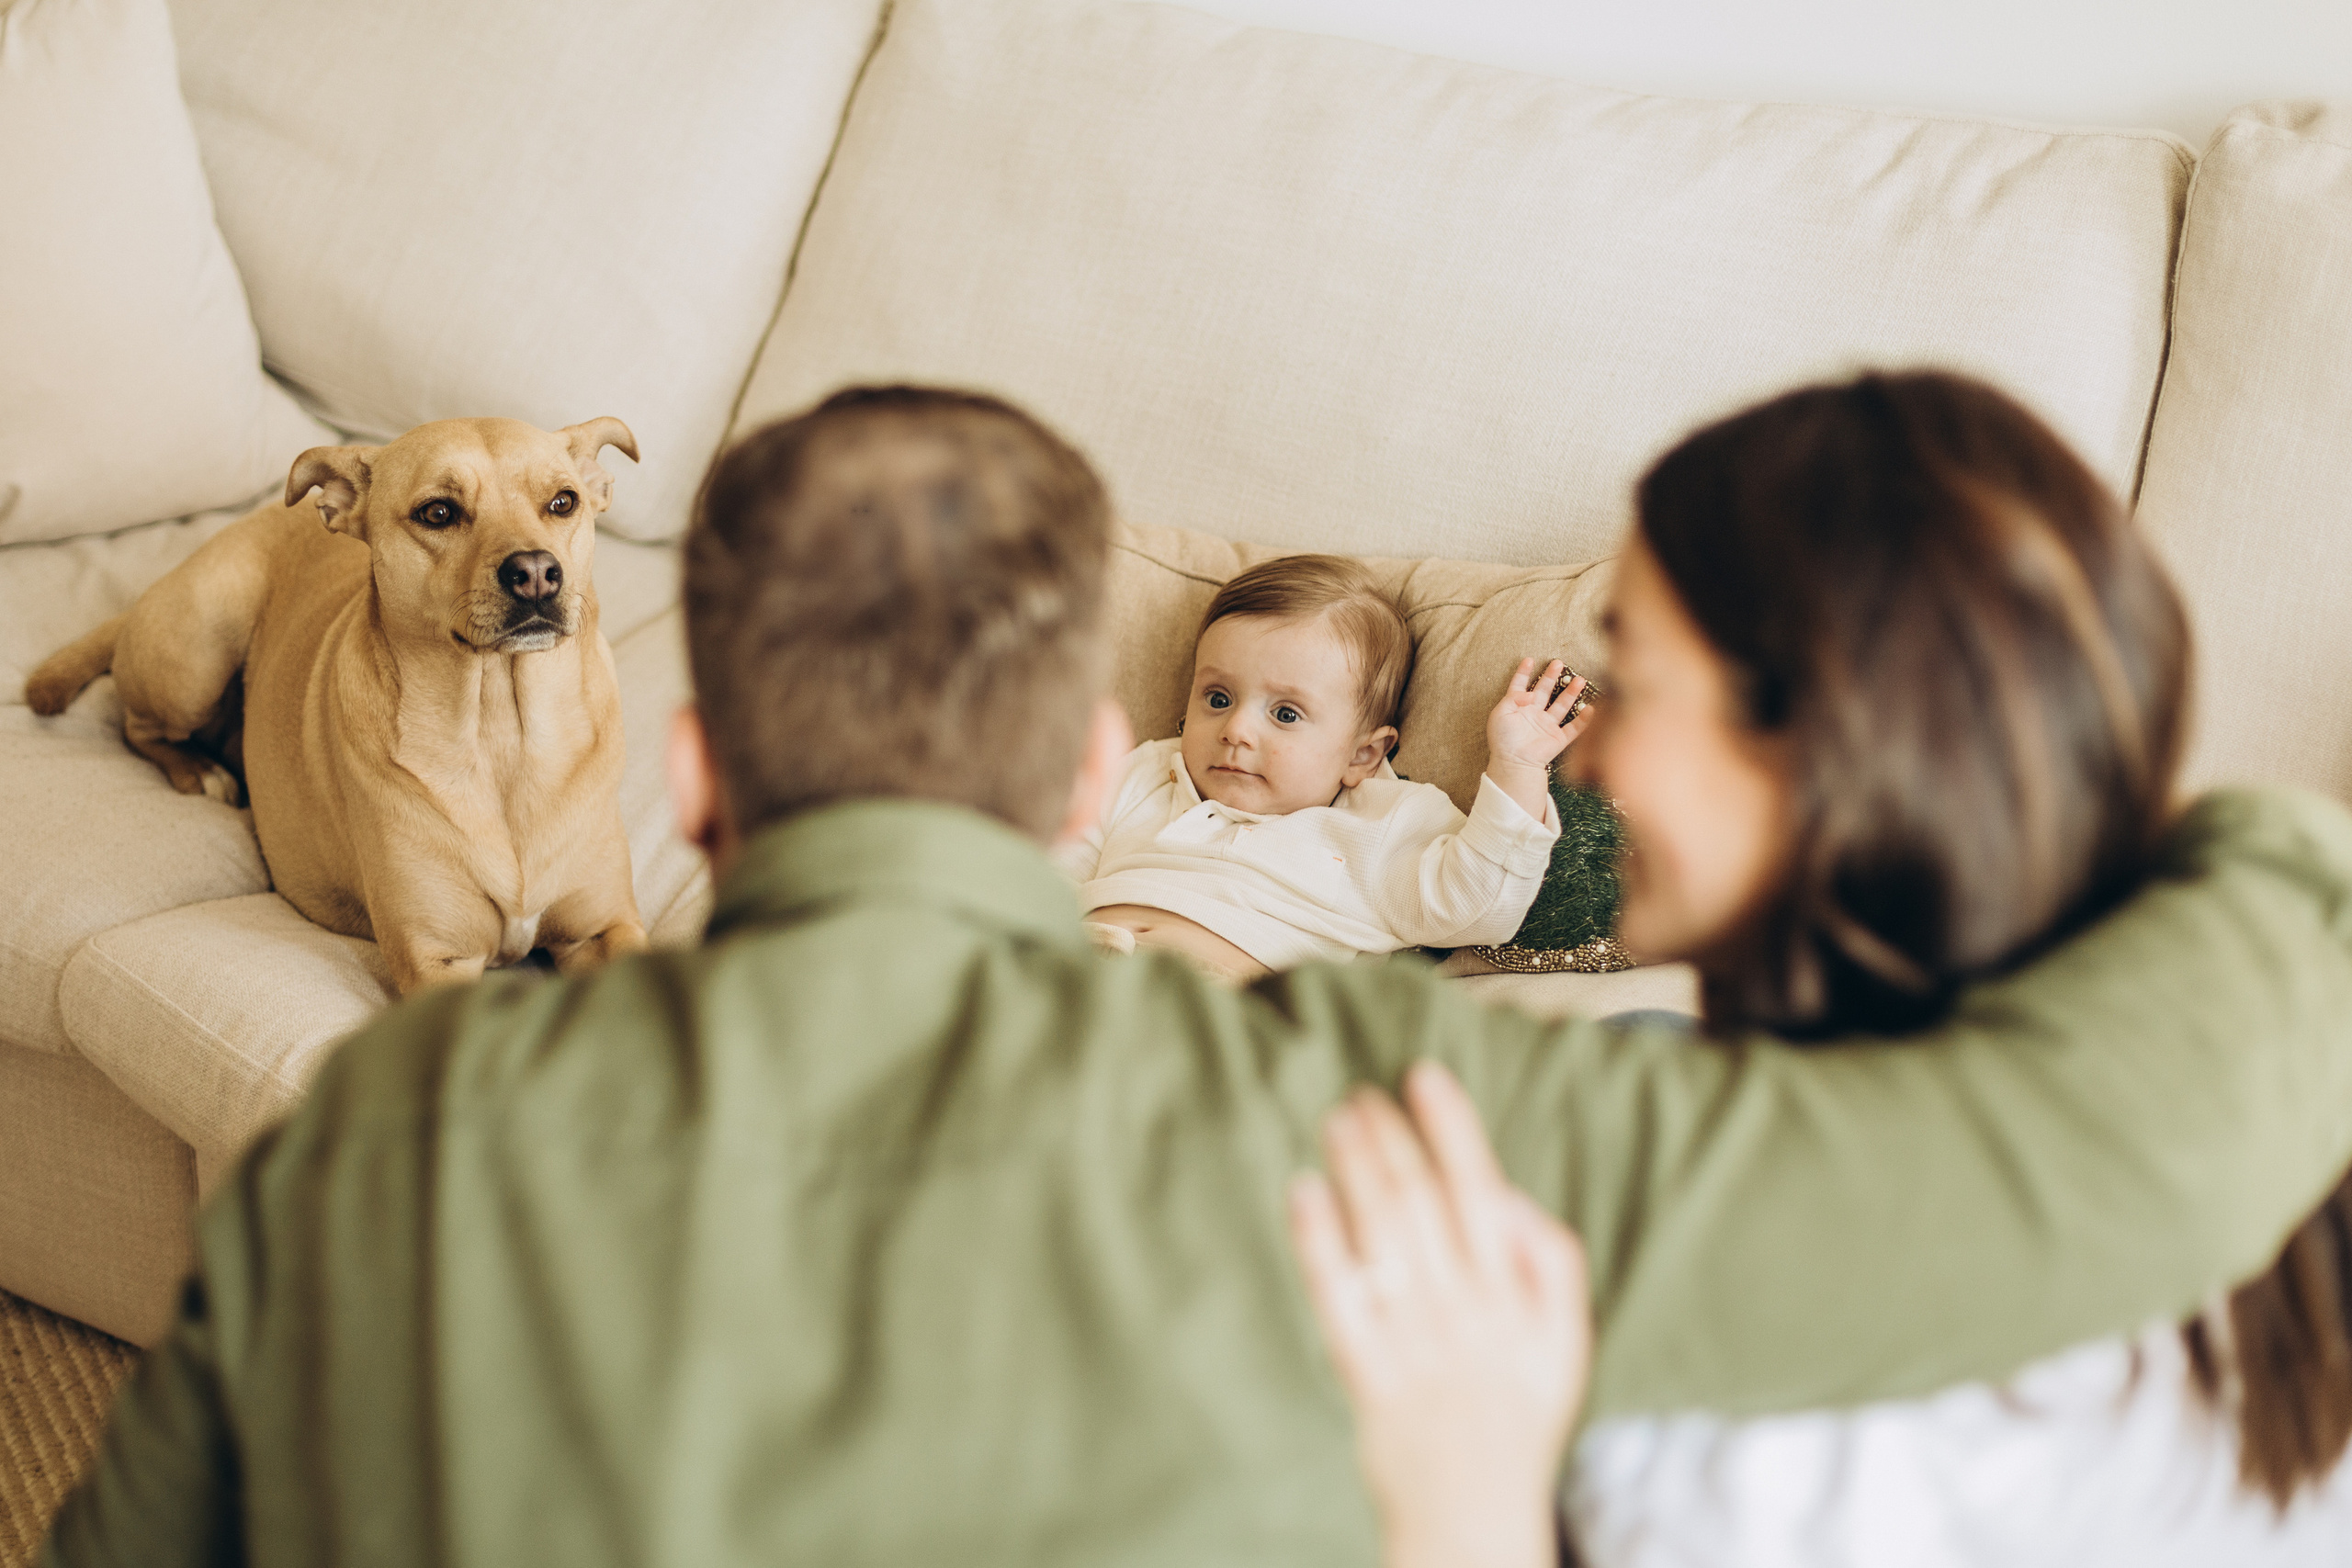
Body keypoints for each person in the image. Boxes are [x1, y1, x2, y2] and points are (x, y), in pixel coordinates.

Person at [42, 384, 2352, 1567]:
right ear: (1089, 772)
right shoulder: (1374, 1127)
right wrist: (2206, 803)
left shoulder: (360, 1137)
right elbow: (2144, 1145)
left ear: (690, 762)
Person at [1292, 371, 2352, 1565]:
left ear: (1826, 739)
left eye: (1634, 687)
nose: (1596, 763)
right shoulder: (2274, 1144)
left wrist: (1462, 1496)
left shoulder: (1771, 1366)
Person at [1056, 553, 1591, 981]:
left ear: (1362, 755)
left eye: (1285, 713)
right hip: (1075, 966)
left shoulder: (1380, 825)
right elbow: (1053, 868)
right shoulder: (1148, 771)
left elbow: (1479, 903)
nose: (1236, 729)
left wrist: (1517, 764)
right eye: (1218, 698)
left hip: (1227, 1008)